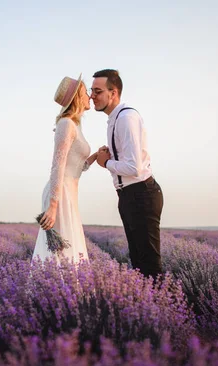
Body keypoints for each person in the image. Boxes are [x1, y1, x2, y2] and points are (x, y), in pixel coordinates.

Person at [91, 69, 164, 279]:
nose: (92, 96)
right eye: (92, 91)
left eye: (98, 91)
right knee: (139, 264)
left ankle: (164, 310)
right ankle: (147, 309)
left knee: (149, 266)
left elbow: (134, 168)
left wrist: (106, 163)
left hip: (141, 194)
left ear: (113, 93)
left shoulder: (126, 117)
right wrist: (110, 154)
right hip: (129, 195)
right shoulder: (114, 119)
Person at [32, 74, 99, 265]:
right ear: (78, 97)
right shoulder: (66, 124)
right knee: (60, 254)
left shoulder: (75, 125)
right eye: (86, 92)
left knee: (67, 251)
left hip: (68, 193)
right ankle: (54, 291)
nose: (90, 96)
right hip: (59, 194)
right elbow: (57, 165)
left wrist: (95, 156)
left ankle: (63, 292)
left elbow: (76, 167)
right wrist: (53, 206)